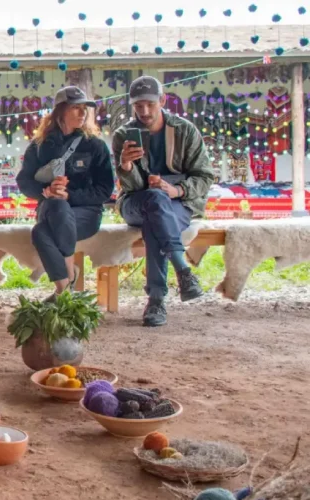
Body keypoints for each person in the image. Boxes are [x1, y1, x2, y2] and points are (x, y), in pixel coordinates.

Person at [111, 76, 216, 326]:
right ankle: (183, 270)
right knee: (154, 203)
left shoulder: (184, 130)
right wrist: (125, 165)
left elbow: (205, 176)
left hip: (177, 202)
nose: (144, 112)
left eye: (150, 104)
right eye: (138, 106)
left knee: (154, 222)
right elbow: (133, 187)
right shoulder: (123, 135)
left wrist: (176, 190)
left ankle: (156, 301)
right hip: (135, 201)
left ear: (163, 100)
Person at [16, 86, 115, 296]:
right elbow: (24, 181)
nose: (82, 113)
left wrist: (70, 195)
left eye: (84, 109)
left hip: (85, 215)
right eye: (75, 108)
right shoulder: (39, 145)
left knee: (40, 232)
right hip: (50, 209)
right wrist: (46, 191)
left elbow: (105, 189)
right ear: (60, 111)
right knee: (56, 204)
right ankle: (69, 273)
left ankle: (62, 289)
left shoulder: (95, 146)